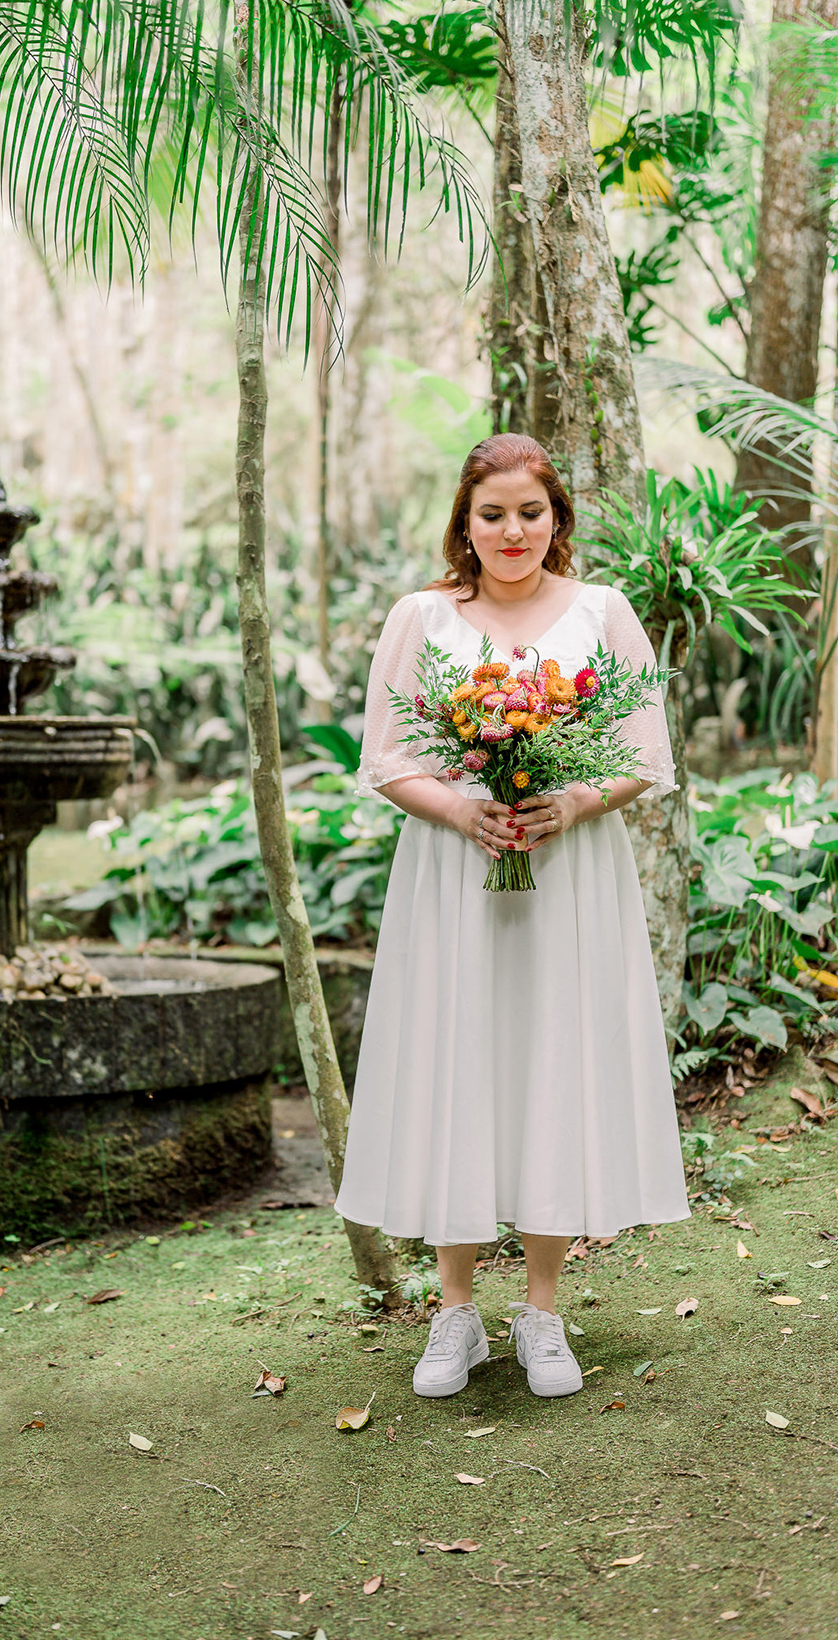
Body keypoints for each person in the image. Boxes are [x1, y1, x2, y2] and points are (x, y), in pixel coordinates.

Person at [333, 433, 690, 1400]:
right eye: (492, 513)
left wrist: (572, 802)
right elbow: (386, 757)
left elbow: (646, 754)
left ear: (557, 518)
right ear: (465, 522)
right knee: (461, 1063)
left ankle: (540, 1309)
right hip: (455, 877)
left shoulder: (603, 614)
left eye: (531, 511)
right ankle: (455, 1313)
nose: (512, 530)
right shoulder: (423, 617)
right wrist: (462, 808)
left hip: (567, 877)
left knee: (548, 1064)